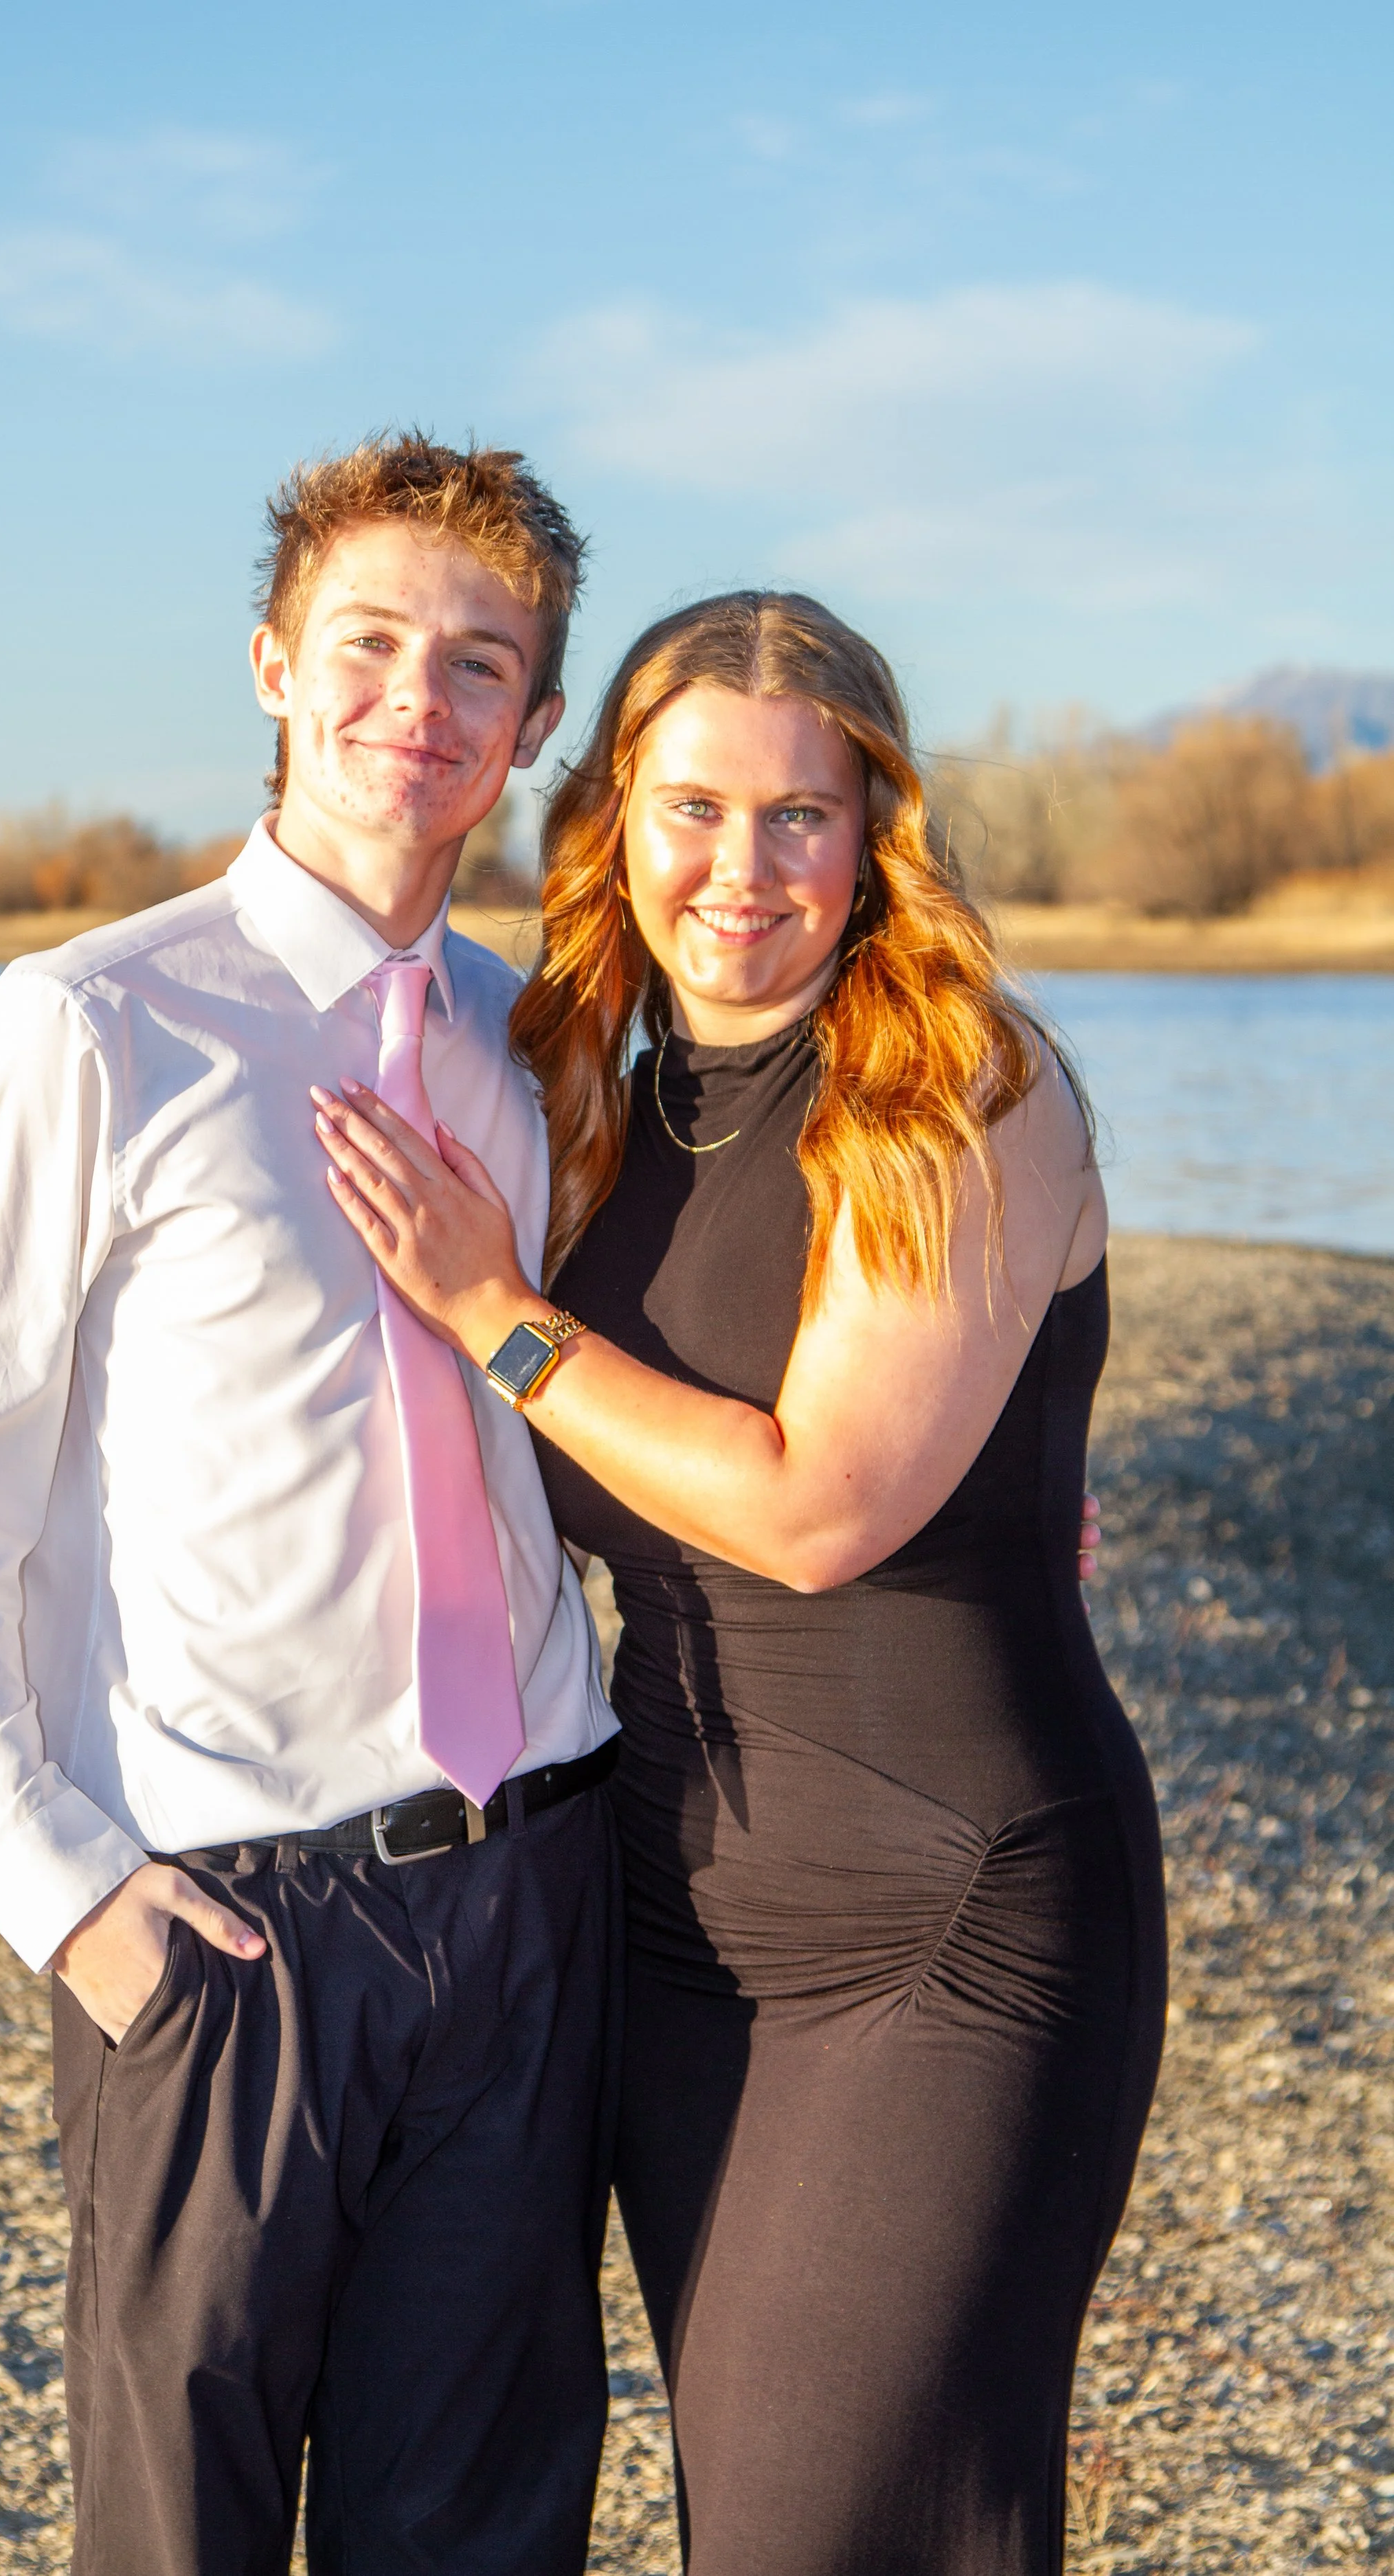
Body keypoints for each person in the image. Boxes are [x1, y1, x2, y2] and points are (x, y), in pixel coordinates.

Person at [312, 589, 1168, 2576]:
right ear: (614, 821)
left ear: (877, 832)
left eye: (801, 814)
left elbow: (815, 1511)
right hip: (675, 1918)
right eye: (693, 807)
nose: (743, 868)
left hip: (947, 1917)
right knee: (792, 2513)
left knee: (817, 2527)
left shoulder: (960, 1084)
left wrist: (491, 1314)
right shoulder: (599, 1094)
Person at [0, 434, 625, 2576]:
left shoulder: (532, 1045)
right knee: (177, 2538)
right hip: (226, 1929)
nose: (420, 697)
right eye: (370, 641)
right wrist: (58, 1883)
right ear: (275, 666)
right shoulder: (92, 1024)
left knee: (476, 2536)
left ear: (535, 727)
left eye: (481, 663)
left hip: (527, 1884)